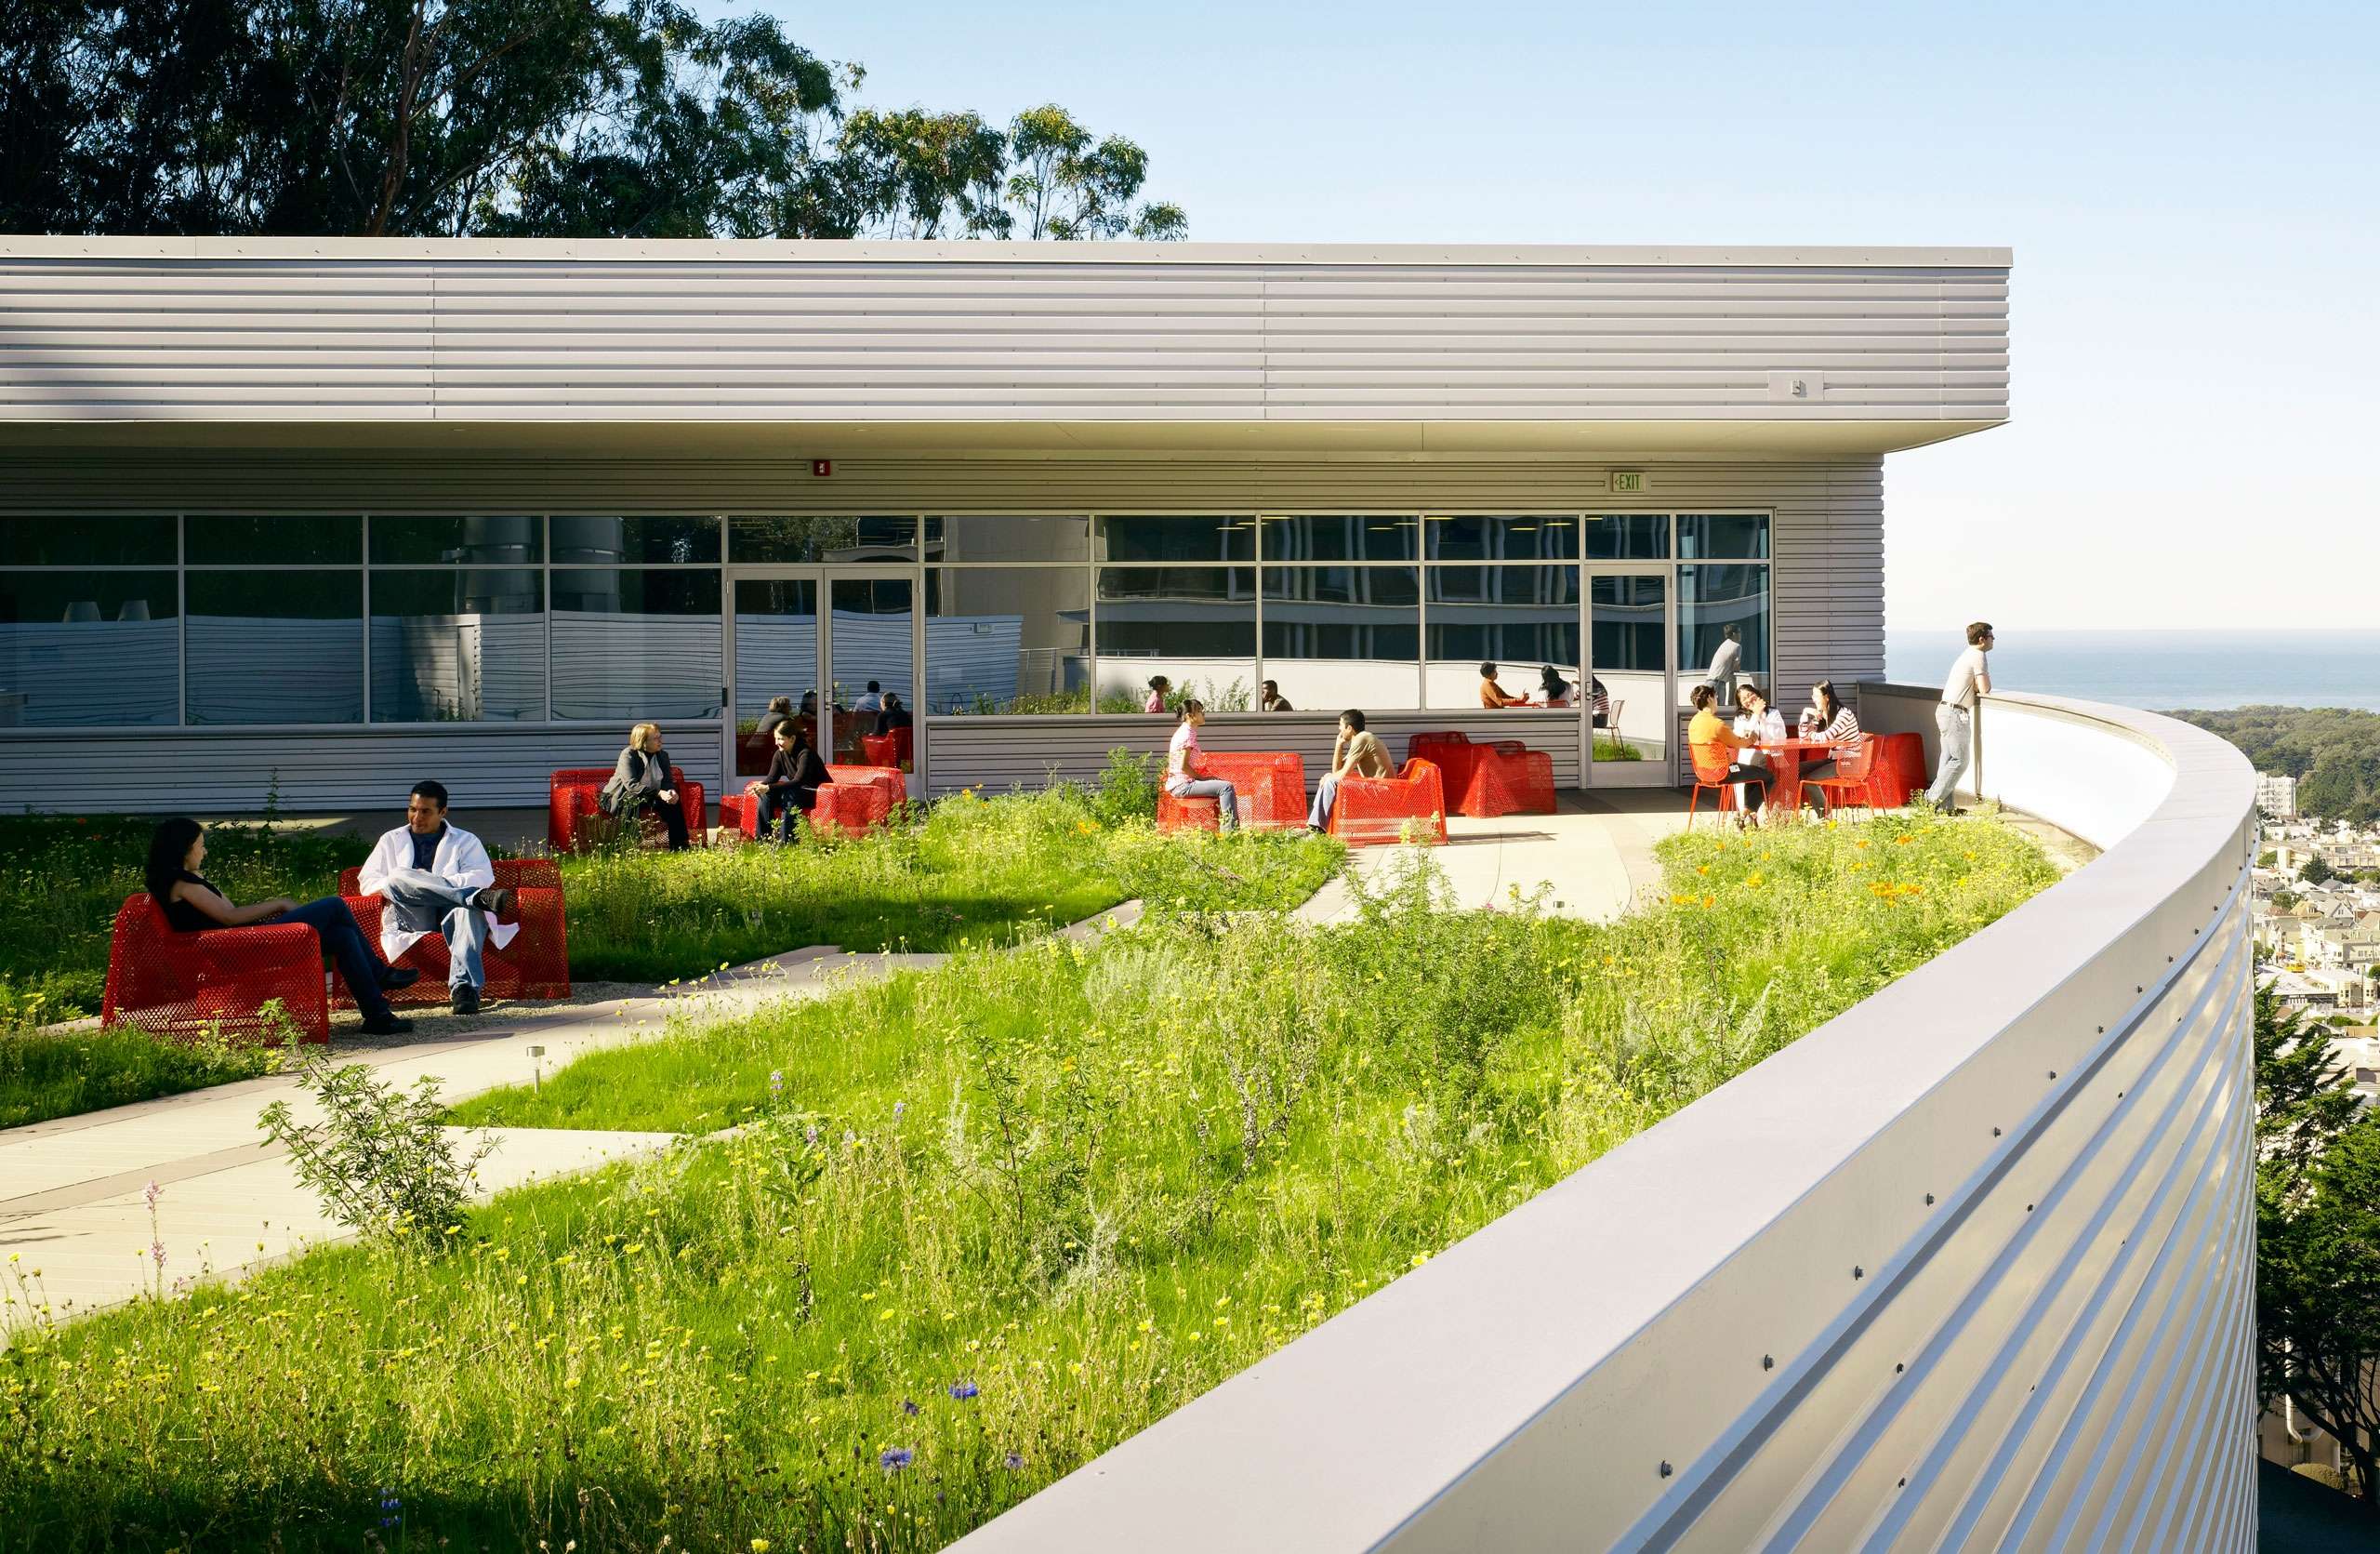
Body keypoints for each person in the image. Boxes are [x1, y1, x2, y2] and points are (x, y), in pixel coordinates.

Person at [146, 817, 416, 1036]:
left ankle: (378, 1016)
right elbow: (229, 917)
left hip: (238, 945)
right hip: (235, 952)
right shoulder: (183, 884)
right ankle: (379, 974)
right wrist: (279, 903)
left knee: (342, 936)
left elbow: (226, 915)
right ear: (183, 849)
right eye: (200, 845)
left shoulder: (188, 879)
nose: (204, 851)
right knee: (334, 905)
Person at [357, 780, 520, 1016]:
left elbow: (482, 876)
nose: (416, 817)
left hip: (452, 911)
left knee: (467, 910)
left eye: (425, 811)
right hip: (413, 914)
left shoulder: (465, 840)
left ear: (443, 812)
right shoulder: (390, 840)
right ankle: (471, 898)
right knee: (397, 878)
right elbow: (368, 882)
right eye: (413, 809)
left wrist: (439, 887)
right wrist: (414, 883)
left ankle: (465, 989)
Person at [1924, 621, 1995, 814]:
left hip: (1945, 710)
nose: (1993, 640)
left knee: (1947, 760)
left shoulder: (1966, 655)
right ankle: (1931, 799)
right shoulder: (1978, 656)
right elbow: (1985, 688)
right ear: (1982, 639)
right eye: (1991, 637)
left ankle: (1944, 808)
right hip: (1956, 713)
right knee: (1960, 761)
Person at [602, 722, 690, 849]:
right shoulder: (628, 755)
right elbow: (631, 785)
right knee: (631, 800)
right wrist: (660, 793)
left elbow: (667, 782)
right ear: (643, 741)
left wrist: (671, 792)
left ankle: (680, 846)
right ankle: (627, 845)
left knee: (673, 802)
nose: (660, 741)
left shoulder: (663, 756)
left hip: (649, 794)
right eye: (656, 738)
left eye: (660, 737)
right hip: (619, 796)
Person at [1688, 683, 1766, 820]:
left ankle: (1746, 815)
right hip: (1726, 772)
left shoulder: (1693, 723)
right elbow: (1739, 743)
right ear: (1710, 699)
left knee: (1752, 774)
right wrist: (1753, 737)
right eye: (1716, 698)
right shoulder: (1717, 724)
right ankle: (1745, 815)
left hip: (1704, 773)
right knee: (1767, 776)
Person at [1307, 709, 1394, 831]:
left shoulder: (1362, 739)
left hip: (1383, 790)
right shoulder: (1361, 739)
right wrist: (1339, 745)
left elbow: (1342, 774)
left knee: (1330, 781)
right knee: (1329, 777)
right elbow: (1337, 770)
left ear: (1349, 728)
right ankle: (1316, 824)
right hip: (1376, 787)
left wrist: (1328, 778)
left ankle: (1318, 827)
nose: (1339, 729)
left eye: (1341, 725)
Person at [1164, 699, 1238, 830]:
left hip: (1179, 784)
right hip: (1182, 786)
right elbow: (1184, 766)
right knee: (1226, 787)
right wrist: (1200, 778)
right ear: (1189, 716)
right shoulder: (1187, 734)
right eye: (1199, 710)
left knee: (1219, 784)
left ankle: (1219, 829)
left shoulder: (1185, 732)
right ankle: (1230, 834)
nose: (1203, 713)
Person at [748, 723, 827, 843]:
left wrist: (769, 787)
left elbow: (799, 781)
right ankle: (763, 840)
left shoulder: (806, 753)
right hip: (797, 792)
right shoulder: (779, 754)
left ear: (792, 739)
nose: (776, 742)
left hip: (818, 794)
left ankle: (787, 842)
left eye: (780, 739)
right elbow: (771, 778)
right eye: (776, 738)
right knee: (765, 795)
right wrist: (760, 787)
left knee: (790, 793)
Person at [1794, 679, 1864, 794]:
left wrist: (1810, 734)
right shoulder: (1822, 714)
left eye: (1816, 696)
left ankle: (1825, 813)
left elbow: (1826, 736)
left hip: (1849, 762)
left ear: (1826, 697)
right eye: (1813, 695)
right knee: (1793, 770)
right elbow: (1803, 736)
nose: (1813, 699)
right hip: (1833, 759)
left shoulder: (1844, 714)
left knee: (1809, 781)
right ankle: (1787, 805)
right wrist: (1805, 713)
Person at [1733, 683, 1788, 810]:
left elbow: (1780, 737)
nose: (1748, 700)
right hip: (1750, 760)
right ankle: (1749, 815)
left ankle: (1776, 817)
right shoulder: (1741, 717)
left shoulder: (1773, 712)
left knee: (1779, 782)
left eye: (1750, 695)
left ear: (1757, 694)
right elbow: (1745, 736)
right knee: (1754, 781)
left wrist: (1763, 717)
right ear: (1741, 704)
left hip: (1774, 757)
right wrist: (1756, 715)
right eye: (1744, 699)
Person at [1704, 625, 1743, 704]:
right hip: (1718, 684)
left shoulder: (1724, 644)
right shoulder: (1737, 646)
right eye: (1739, 632)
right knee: (1719, 712)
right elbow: (1736, 668)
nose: (1741, 634)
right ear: (1734, 634)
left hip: (1709, 682)